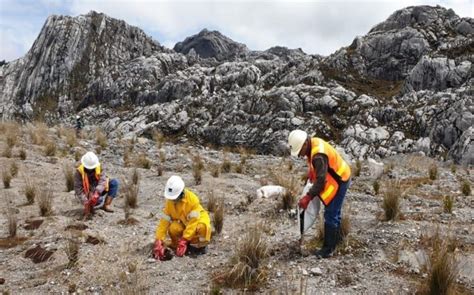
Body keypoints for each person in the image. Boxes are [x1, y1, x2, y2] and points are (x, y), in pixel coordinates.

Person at [288, 130, 351, 258]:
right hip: (341, 175)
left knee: (331, 214)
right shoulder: (313, 144)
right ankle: (336, 241)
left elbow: (321, 181)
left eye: (299, 151)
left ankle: (328, 250)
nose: (300, 155)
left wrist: (308, 197)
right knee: (335, 212)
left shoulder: (318, 155)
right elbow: (317, 171)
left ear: (305, 143)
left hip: (340, 180)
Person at [154, 175, 211, 260]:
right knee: (173, 228)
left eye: (174, 198)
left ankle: (201, 247)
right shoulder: (169, 203)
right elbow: (164, 221)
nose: (172, 200)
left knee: (202, 227)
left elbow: (193, 222)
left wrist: (185, 239)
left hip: (197, 221)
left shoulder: (192, 200)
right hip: (184, 223)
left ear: (181, 193)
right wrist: (159, 240)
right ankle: (180, 246)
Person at [74, 151, 119, 217]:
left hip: (99, 189)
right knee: (99, 200)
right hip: (87, 192)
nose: (90, 169)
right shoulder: (79, 172)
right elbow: (78, 189)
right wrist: (85, 201)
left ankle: (106, 205)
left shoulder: (99, 167)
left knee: (114, 182)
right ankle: (90, 207)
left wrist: (97, 193)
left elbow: (102, 181)